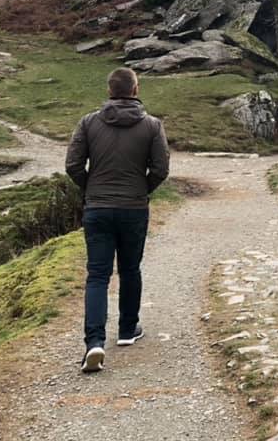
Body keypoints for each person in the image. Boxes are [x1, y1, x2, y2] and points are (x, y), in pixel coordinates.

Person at [66, 67, 169, 373]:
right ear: (136, 89)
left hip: (97, 208)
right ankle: (127, 329)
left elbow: (73, 165)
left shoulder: (88, 122)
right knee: (130, 268)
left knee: (97, 275)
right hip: (134, 208)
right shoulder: (152, 125)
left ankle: (94, 342)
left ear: (109, 90)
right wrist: (142, 190)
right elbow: (161, 169)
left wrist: (91, 188)